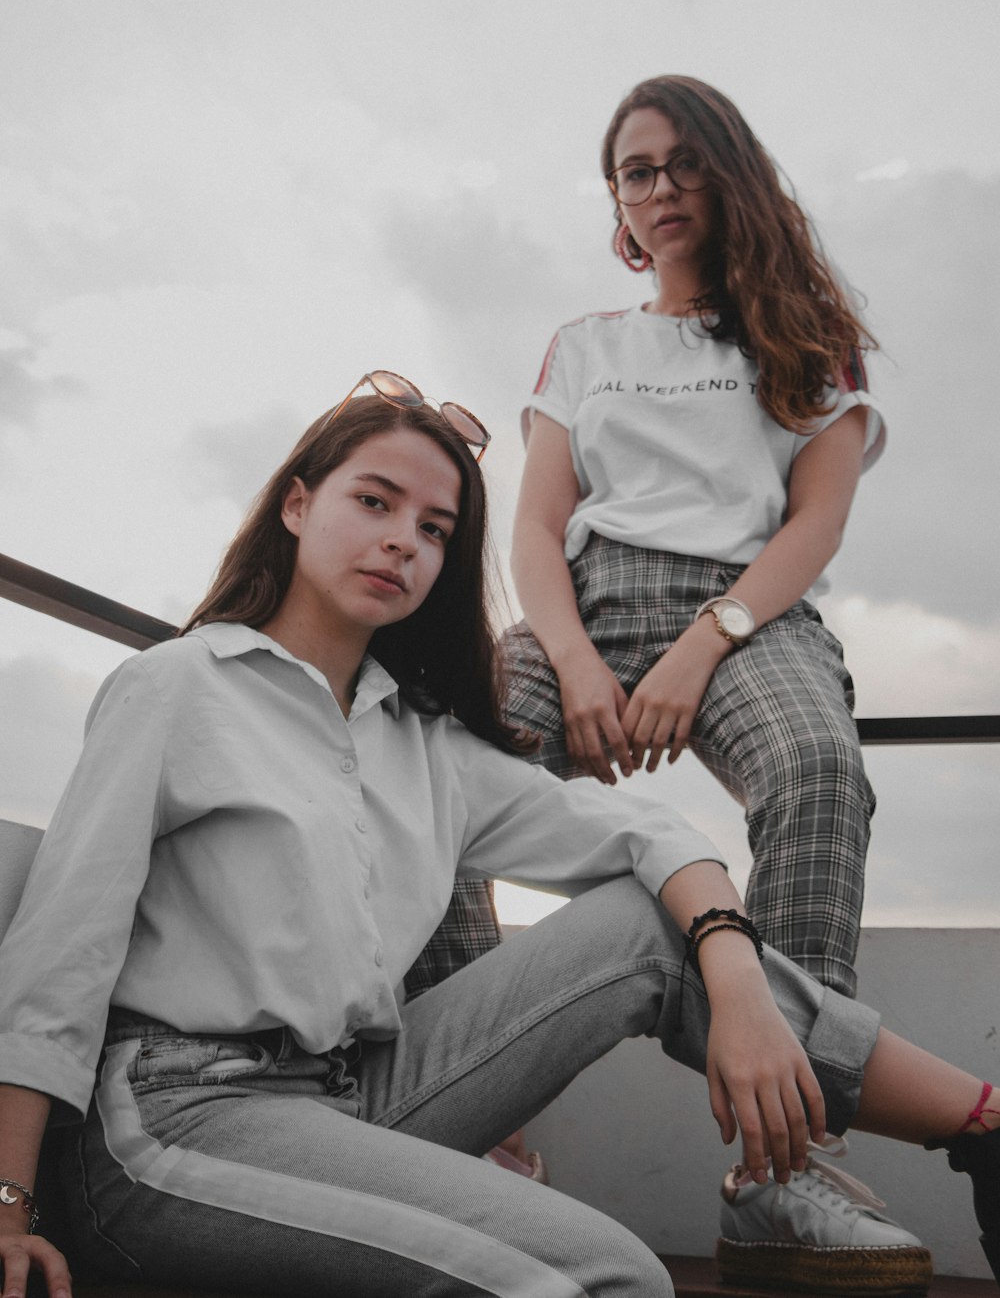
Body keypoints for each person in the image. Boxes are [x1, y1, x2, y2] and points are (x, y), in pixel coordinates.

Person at [0, 372, 997, 1298]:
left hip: (351, 1094)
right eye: (375, 501)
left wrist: (733, 975)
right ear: (297, 506)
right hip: (170, 1118)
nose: (402, 542)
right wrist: (9, 1201)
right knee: (611, 1276)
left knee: (649, 927)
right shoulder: (181, 686)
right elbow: (62, 946)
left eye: (434, 530)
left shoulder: (424, 745)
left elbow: (646, 831)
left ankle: (984, 1128)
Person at [459, 69, 913, 1270]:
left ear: (727, 168)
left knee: (820, 768)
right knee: (451, 766)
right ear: (615, 199)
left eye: (679, 163)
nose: (658, 189)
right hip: (583, 608)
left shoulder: (810, 343)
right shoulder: (585, 344)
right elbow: (533, 530)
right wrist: (574, 661)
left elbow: (812, 527)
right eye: (633, 172)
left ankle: (784, 1171)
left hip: (744, 616)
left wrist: (702, 643)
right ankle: (473, 1130)